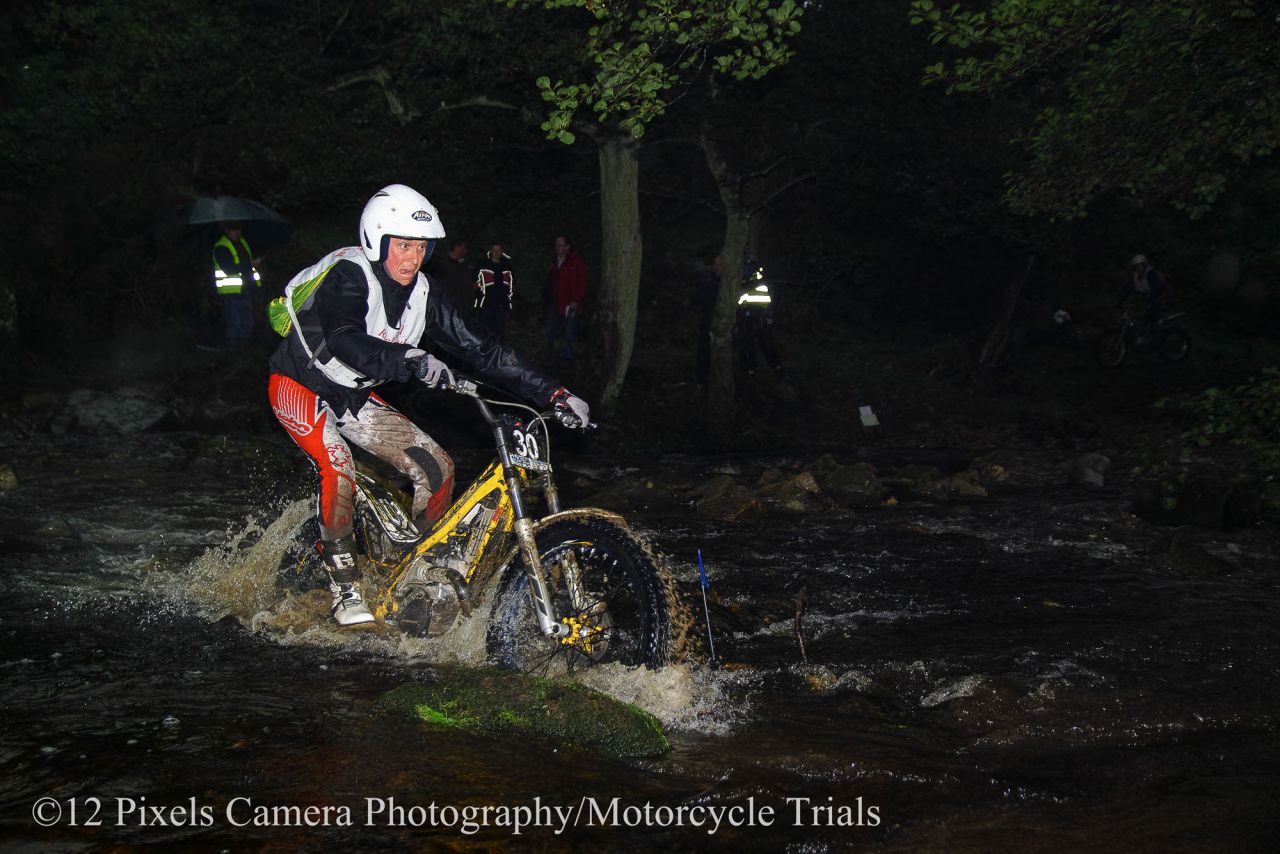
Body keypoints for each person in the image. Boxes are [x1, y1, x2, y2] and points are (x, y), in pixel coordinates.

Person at [267, 185, 590, 627]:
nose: (412, 258)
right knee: (338, 465)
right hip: (299, 384)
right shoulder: (349, 275)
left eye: (421, 247)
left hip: (355, 396)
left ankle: (414, 575)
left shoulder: (424, 294)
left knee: (438, 468)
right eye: (403, 245)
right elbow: (344, 339)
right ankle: (346, 591)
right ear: (377, 240)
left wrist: (554, 393)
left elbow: (483, 349)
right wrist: (411, 360)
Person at [212, 222, 262, 348]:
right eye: (234, 229)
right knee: (234, 321)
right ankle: (232, 349)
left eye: (239, 229)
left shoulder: (243, 242)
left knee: (247, 321)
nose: (237, 232)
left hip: (246, 289)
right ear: (227, 230)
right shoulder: (221, 247)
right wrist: (250, 264)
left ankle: (244, 348)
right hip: (231, 292)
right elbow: (229, 269)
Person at [735, 258, 784, 379]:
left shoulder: (756, 282)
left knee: (763, 344)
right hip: (750, 317)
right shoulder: (746, 281)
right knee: (750, 344)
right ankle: (751, 370)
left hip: (759, 317)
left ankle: (775, 370)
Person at [544, 235, 587, 362]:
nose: (557, 247)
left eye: (560, 245)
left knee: (569, 330)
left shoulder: (576, 262)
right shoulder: (554, 261)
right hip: (555, 302)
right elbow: (550, 282)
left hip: (571, 304)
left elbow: (583, 283)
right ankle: (550, 355)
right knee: (551, 329)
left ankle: (569, 357)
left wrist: (576, 300)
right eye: (556, 245)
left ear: (567, 247)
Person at [474, 242, 515, 344]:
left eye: (498, 250)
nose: (496, 252)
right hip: (486, 304)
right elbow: (474, 282)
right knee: (485, 331)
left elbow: (513, 284)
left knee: (500, 332)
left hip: (502, 304)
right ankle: (485, 350)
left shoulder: (506, 266)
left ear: (501, 251)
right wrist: (478, 296)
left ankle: (498, 350)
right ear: (491, 251)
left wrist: (509, 298)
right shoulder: (483, 265)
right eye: (494, 250)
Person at [1117, 254, 1169, 332]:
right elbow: (1127, 288)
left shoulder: (1150, 273)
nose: (1138, 268)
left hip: (1161, 297)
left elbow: (1156, 289)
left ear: (1145, 265)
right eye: (1136, 266)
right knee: (1137, 315)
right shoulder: (1135, 277)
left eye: (1140, 266)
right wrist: (1119, 300)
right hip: (1148, 297)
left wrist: (1148, 300)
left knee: (1150, 317)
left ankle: (1154, 334)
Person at [692, 256, 721, 385]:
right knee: (704, 349)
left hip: (719, 320)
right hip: (707, 320)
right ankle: (702, 379)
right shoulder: (707, 279)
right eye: (716, 265)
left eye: (720, 265)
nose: (718, 268)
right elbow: (696, 299)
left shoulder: (725, 282)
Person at [424, 237, 475, 312]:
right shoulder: (442, 266)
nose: (465, 251)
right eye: (463, 248)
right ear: (457, 248)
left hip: (461, 309)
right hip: (447, 308)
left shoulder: (462, 267)